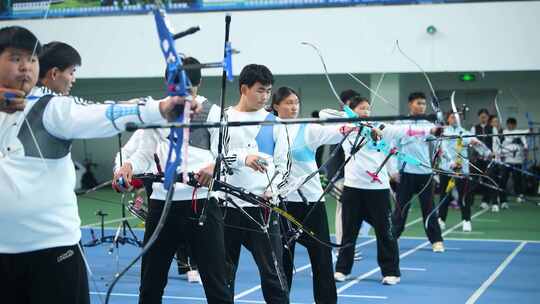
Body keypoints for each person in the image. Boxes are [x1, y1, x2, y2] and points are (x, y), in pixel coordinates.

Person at [0, 26, 192, 304]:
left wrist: (159, 109)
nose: (26, 68)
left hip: (52, 252)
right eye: (16, 58)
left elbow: (100, 113)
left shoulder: (52, 108)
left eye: (31, 60)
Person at [113, 56, 232, 303]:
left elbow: (229, 154)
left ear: (198, 84)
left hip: (201, 204)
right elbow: (144, 153)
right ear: (167, 83)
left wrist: (214, 165)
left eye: (190, 87)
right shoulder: (156, 112)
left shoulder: (212, 111)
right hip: (161, 206)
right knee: (150, 284)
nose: (184, 93)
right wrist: (127, 166)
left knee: (217, 285)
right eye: (177, 87)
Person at [333, 96, 440, 285]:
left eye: (368, 108)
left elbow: (406, 130)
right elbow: (325, 113)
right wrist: (353, 120)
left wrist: (431, 129)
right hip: (353, 189)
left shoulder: (382, 128)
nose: (366, 112)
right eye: (361, 108)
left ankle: (391, 271)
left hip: (378, 190)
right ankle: (342, 269)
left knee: (385, 232)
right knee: (349, 231)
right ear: (351, 111)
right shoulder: (346, 129)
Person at [215, 64, 290, 303]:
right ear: (244, 89)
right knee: (223, 277)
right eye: (260, 90)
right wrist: (243, 158)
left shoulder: (275, 122)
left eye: (268, 91)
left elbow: (284, 167)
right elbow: (214, 159)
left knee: (273, 276)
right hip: (226, 209)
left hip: (262, 211)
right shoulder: (223, 118)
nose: (265, 96)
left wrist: (273, 190)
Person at [272, 86, 341, 303]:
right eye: (288, 103)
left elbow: (339, 131)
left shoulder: (308, 128)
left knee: (321, 258)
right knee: (283, 260)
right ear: (276, 106)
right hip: (281, 204)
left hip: (311, 203)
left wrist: (353, 123)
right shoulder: (269, 128)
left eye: (296, 103)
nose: (294, 107)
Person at [391, 92, 445, 253]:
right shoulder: (400, 123)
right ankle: (393, 237)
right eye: (418, 103)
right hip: (406, 172)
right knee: (401, 208)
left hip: (425, 172)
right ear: (410, 104)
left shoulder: (429, 124)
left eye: (424, 104)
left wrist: (439, 133)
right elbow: (392, 147)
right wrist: (393, 170)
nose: (422, 106)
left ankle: (436, 240)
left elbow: (436, 142)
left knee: (429, 208)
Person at [437, 112, 483, 232]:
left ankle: (466, 220)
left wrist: (487, 153)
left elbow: (477, 144)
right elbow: (443, 150)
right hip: (446, 169)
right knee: (444, 196)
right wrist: (452, 163)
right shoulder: (444, 133)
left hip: (462, 170)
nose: (455, 119)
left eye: (457, 117)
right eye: (452, 117)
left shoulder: (465, 133)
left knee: (464, 197)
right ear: (448, 119)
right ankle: (441, 220)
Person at [470, 108, 498, 210]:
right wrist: (479, 152)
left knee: (490, 180)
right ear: (479, 117)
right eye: (481, 116)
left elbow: (495, 142)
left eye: (485, 117)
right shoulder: (474, 128)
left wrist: (493, 153)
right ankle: (470, 202)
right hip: (477, 159)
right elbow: (471, 142)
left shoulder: (493, 128)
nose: (483, 118)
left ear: (487, 117)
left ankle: (492, 203)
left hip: (489, 159)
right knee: (473, 181)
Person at [499, 117, 528, 207]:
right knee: (503, 179)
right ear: (507, 125)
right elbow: (500, 145)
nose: (510, 126)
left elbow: (526, 145)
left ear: (515, 125)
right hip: (506, 161)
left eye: (512, 124)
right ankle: (502, 197)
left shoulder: (520, 133)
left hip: (517, 161)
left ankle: (520, 195)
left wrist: (526, 154)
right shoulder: (504, 133)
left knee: (517, 179)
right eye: (509, 124)